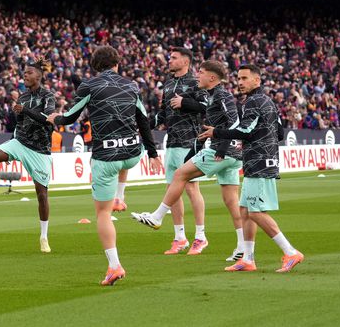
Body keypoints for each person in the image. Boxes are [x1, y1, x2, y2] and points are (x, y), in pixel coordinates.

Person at [49, 46, 156, 287]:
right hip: (133, 152)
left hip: (106, 156)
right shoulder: (131, 85)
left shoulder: (89, 85)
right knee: (122, 157)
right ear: (117, 63)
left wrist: (55, 118)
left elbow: (70, 117)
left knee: (103, 214)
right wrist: (151, 152)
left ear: (96, 66)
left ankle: (114, 265)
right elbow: (143, 119)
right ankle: (120, 197)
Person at [131, 59, 246, 261]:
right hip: (231, 154)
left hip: (223, 151)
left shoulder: (222, 94)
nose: (197, 75)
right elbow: (210, 127)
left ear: (212, 77)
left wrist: (222, 146)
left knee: (179, 175)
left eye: (201, 72)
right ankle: (243, 247)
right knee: (231, 202)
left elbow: (235, 120)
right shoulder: (211, 95)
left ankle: (157, 216)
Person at [200, 64, 304, 273]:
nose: (240, 82)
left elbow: (245, 130)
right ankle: (248, 259)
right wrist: (259, 140)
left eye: (245, 78)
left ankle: (291, 252)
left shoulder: (253, 101)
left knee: (255, 213)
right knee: (245, 210)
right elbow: (280, 132)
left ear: (257, 80)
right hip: (259, 160)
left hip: (259, 162)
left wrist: (217, 132)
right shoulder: (267, 101)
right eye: (239, 78)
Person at [0, 60, 57, 253]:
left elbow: (47, 120)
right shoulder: (23, 96)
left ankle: (44, 237)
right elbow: (20, 123)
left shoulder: (48, 96)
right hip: (20, 142)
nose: (25, 75)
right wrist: (13, 125)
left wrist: (25, 111)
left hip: (39, 150)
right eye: (24, 72)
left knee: (41, 194)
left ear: (38, 76)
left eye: (29, 72)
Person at [147, 42, 207, 255]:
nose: (169, 60)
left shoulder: (196, 82)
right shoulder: (169, 83)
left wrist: (185, 103)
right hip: (172, 142)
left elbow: (207, 107)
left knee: (191, 188)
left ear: (185, 61)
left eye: (173, 57)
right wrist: (146, 125)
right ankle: (180, 237)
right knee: (171, 190)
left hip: (190, 141)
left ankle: (200, 236)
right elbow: (163, 113)